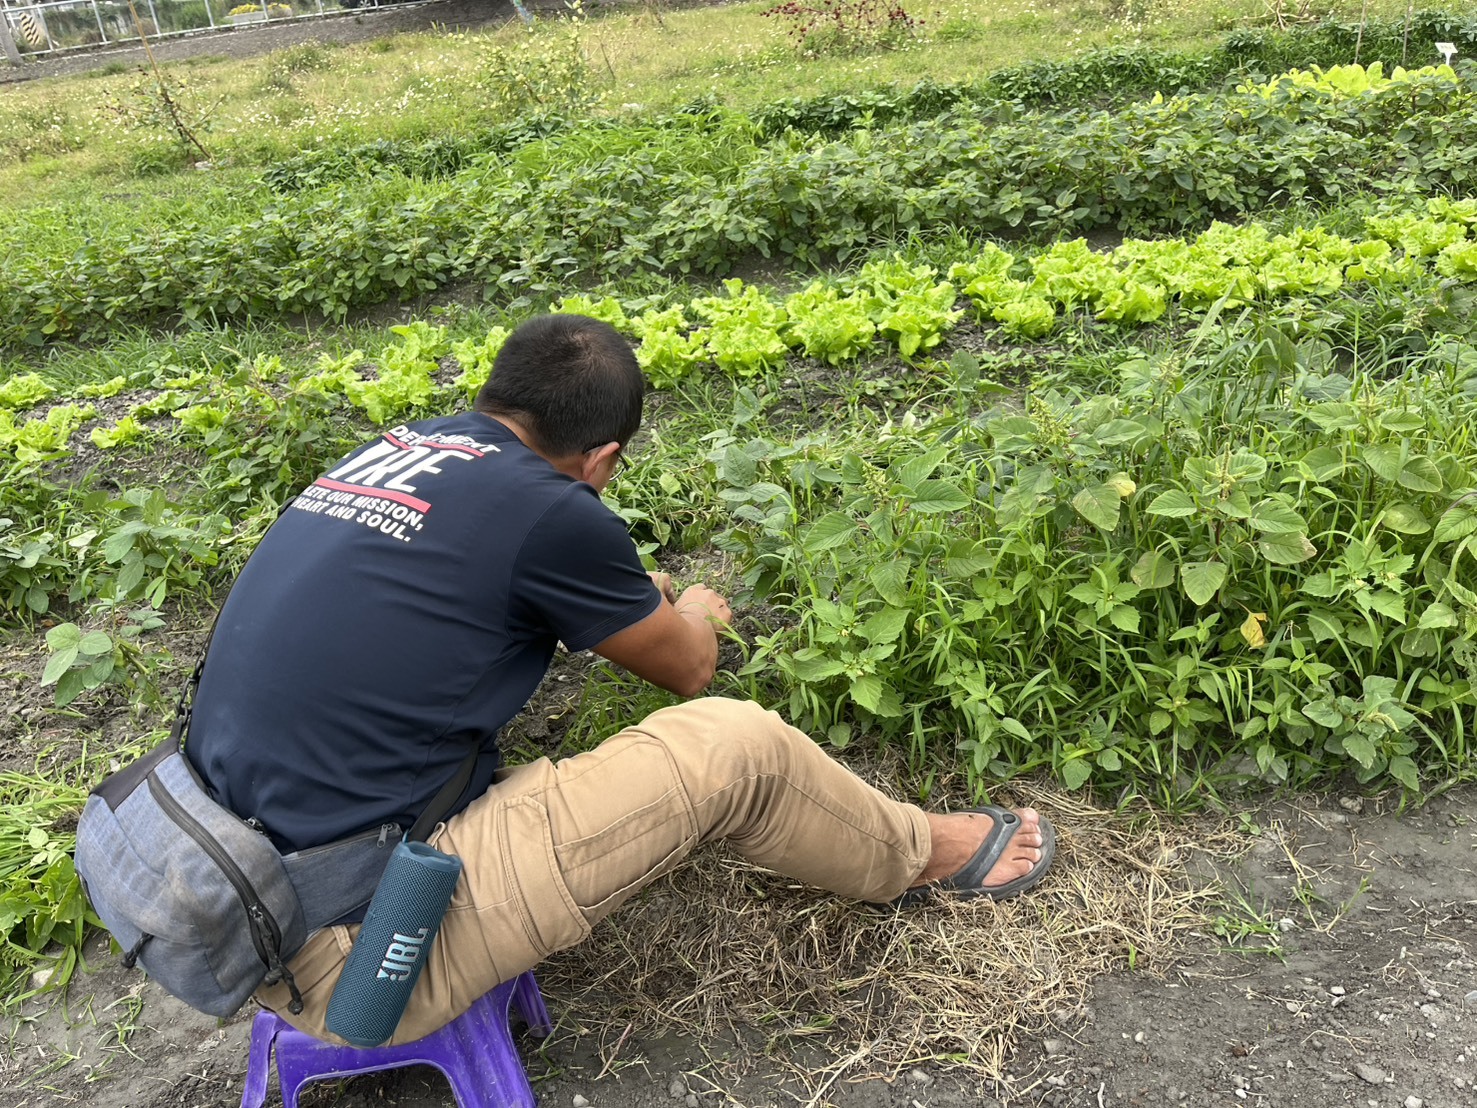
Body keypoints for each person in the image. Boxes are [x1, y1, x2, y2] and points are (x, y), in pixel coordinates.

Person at [186, 313, 1056, 1045]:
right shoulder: (551, 506)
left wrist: (616, 598)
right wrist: (696, 615)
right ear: (602, 458)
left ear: (494, 397)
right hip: (353, 962)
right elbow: (689, 669)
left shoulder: (390, 455)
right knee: (736, 745)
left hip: (220, 885)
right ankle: (922, 854)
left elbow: (460, 597)